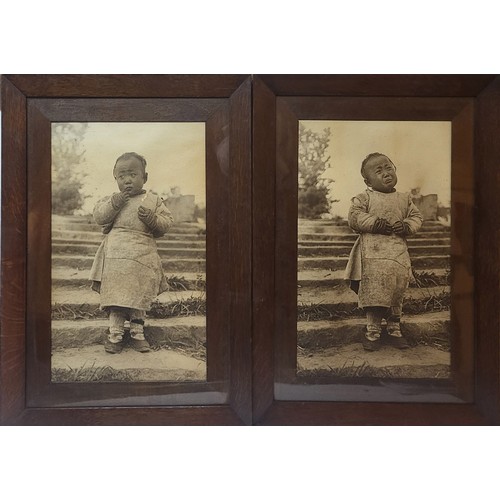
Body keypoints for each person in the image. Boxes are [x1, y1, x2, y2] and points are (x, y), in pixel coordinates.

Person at [89, 152, 173, 354]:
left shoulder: (153, 200)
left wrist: (152, 219)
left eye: (133, 174)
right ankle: (115, 333)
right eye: (122, 175)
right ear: (115, 178)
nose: (127, 180)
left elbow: (166, 223)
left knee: (139, 294)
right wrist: (114, 204)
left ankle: (137, 332)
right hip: (116, 254)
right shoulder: (112, 200)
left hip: (143, 254)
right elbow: (100, 217)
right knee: (116, 295)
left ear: (145, 177)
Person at [345, 153, 423, 351]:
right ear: (368, 180)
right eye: (378, 171)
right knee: (375, 292)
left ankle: (394, 329)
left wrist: (406, 226)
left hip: (397, 255)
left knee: (397, 291)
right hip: (372, 256)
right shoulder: (365, 197)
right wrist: (373, 222)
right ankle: (372, 331)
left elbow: (416, 217)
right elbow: (354, 216)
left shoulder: (404, 199)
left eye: (388, 168)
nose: (386, 173)